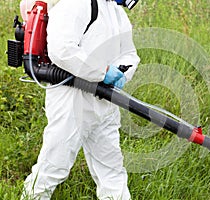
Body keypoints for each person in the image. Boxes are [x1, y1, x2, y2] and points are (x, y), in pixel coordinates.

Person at [20, 0, 140, 199]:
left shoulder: (117, 13)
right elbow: (62, 49)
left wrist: (121, 73)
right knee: (54, 164)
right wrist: (103, 72)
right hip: (72, 98)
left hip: (105, 100)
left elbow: (129, 53)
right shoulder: (77, 3)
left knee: (111, 168)